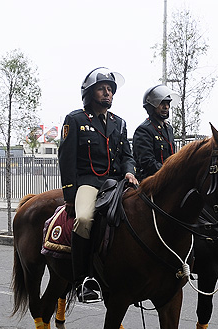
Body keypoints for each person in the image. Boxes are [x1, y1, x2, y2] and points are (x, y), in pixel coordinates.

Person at [58, 67, 138, 302]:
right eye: (102, 89)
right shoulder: (75, 119)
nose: (108, 93)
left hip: (115, 182)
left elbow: (127, 156)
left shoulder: (119, 123)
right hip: (89, 182)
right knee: (83, 219)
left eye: (110, 90)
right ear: (91, 93)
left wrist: (130, 172)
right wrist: (70, 195)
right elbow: (66, 158)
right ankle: (83, 280)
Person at [132, 84, 181, 180]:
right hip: (150, 181)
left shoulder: (168, 128)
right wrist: (170, 171)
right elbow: (147, 162)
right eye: (161, 103)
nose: (166, 107)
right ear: (151, 106)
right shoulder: (144, 130)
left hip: (167, 178)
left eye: (167, 103)